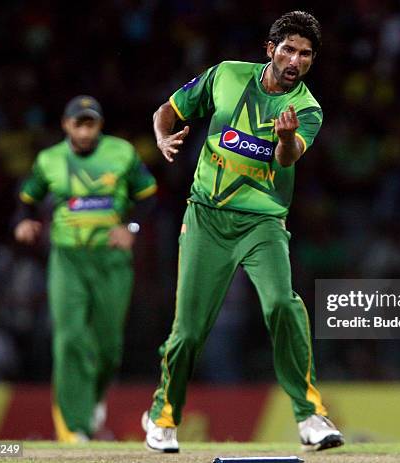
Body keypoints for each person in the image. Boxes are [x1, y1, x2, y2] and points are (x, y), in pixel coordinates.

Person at [142, 11, 344, 453]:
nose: (295, 60)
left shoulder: (307, 110)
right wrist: (162, 138)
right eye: (288, 49)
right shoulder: (226, 75)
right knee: (190, 331)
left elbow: (287, 159)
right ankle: (163, 417)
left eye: (305, 54)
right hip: (206, 218)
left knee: (281, 306)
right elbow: (167, 111)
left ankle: (310, 416)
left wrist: (286, 138)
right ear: (270, 50)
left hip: (263, 223)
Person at [14, 95, 157, 442]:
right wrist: (24, 223)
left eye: (90, 123)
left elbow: (149, 196)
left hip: (111, 260)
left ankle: (94, 400)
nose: (84, 130)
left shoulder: (121, 153)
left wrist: (131, 228)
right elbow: (27, 199)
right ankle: (74, 427)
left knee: (109, 346)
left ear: (100, 125)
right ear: (66, 125)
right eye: (78, 123)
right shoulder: (49, 160)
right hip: (68, 258)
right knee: (69, 338)